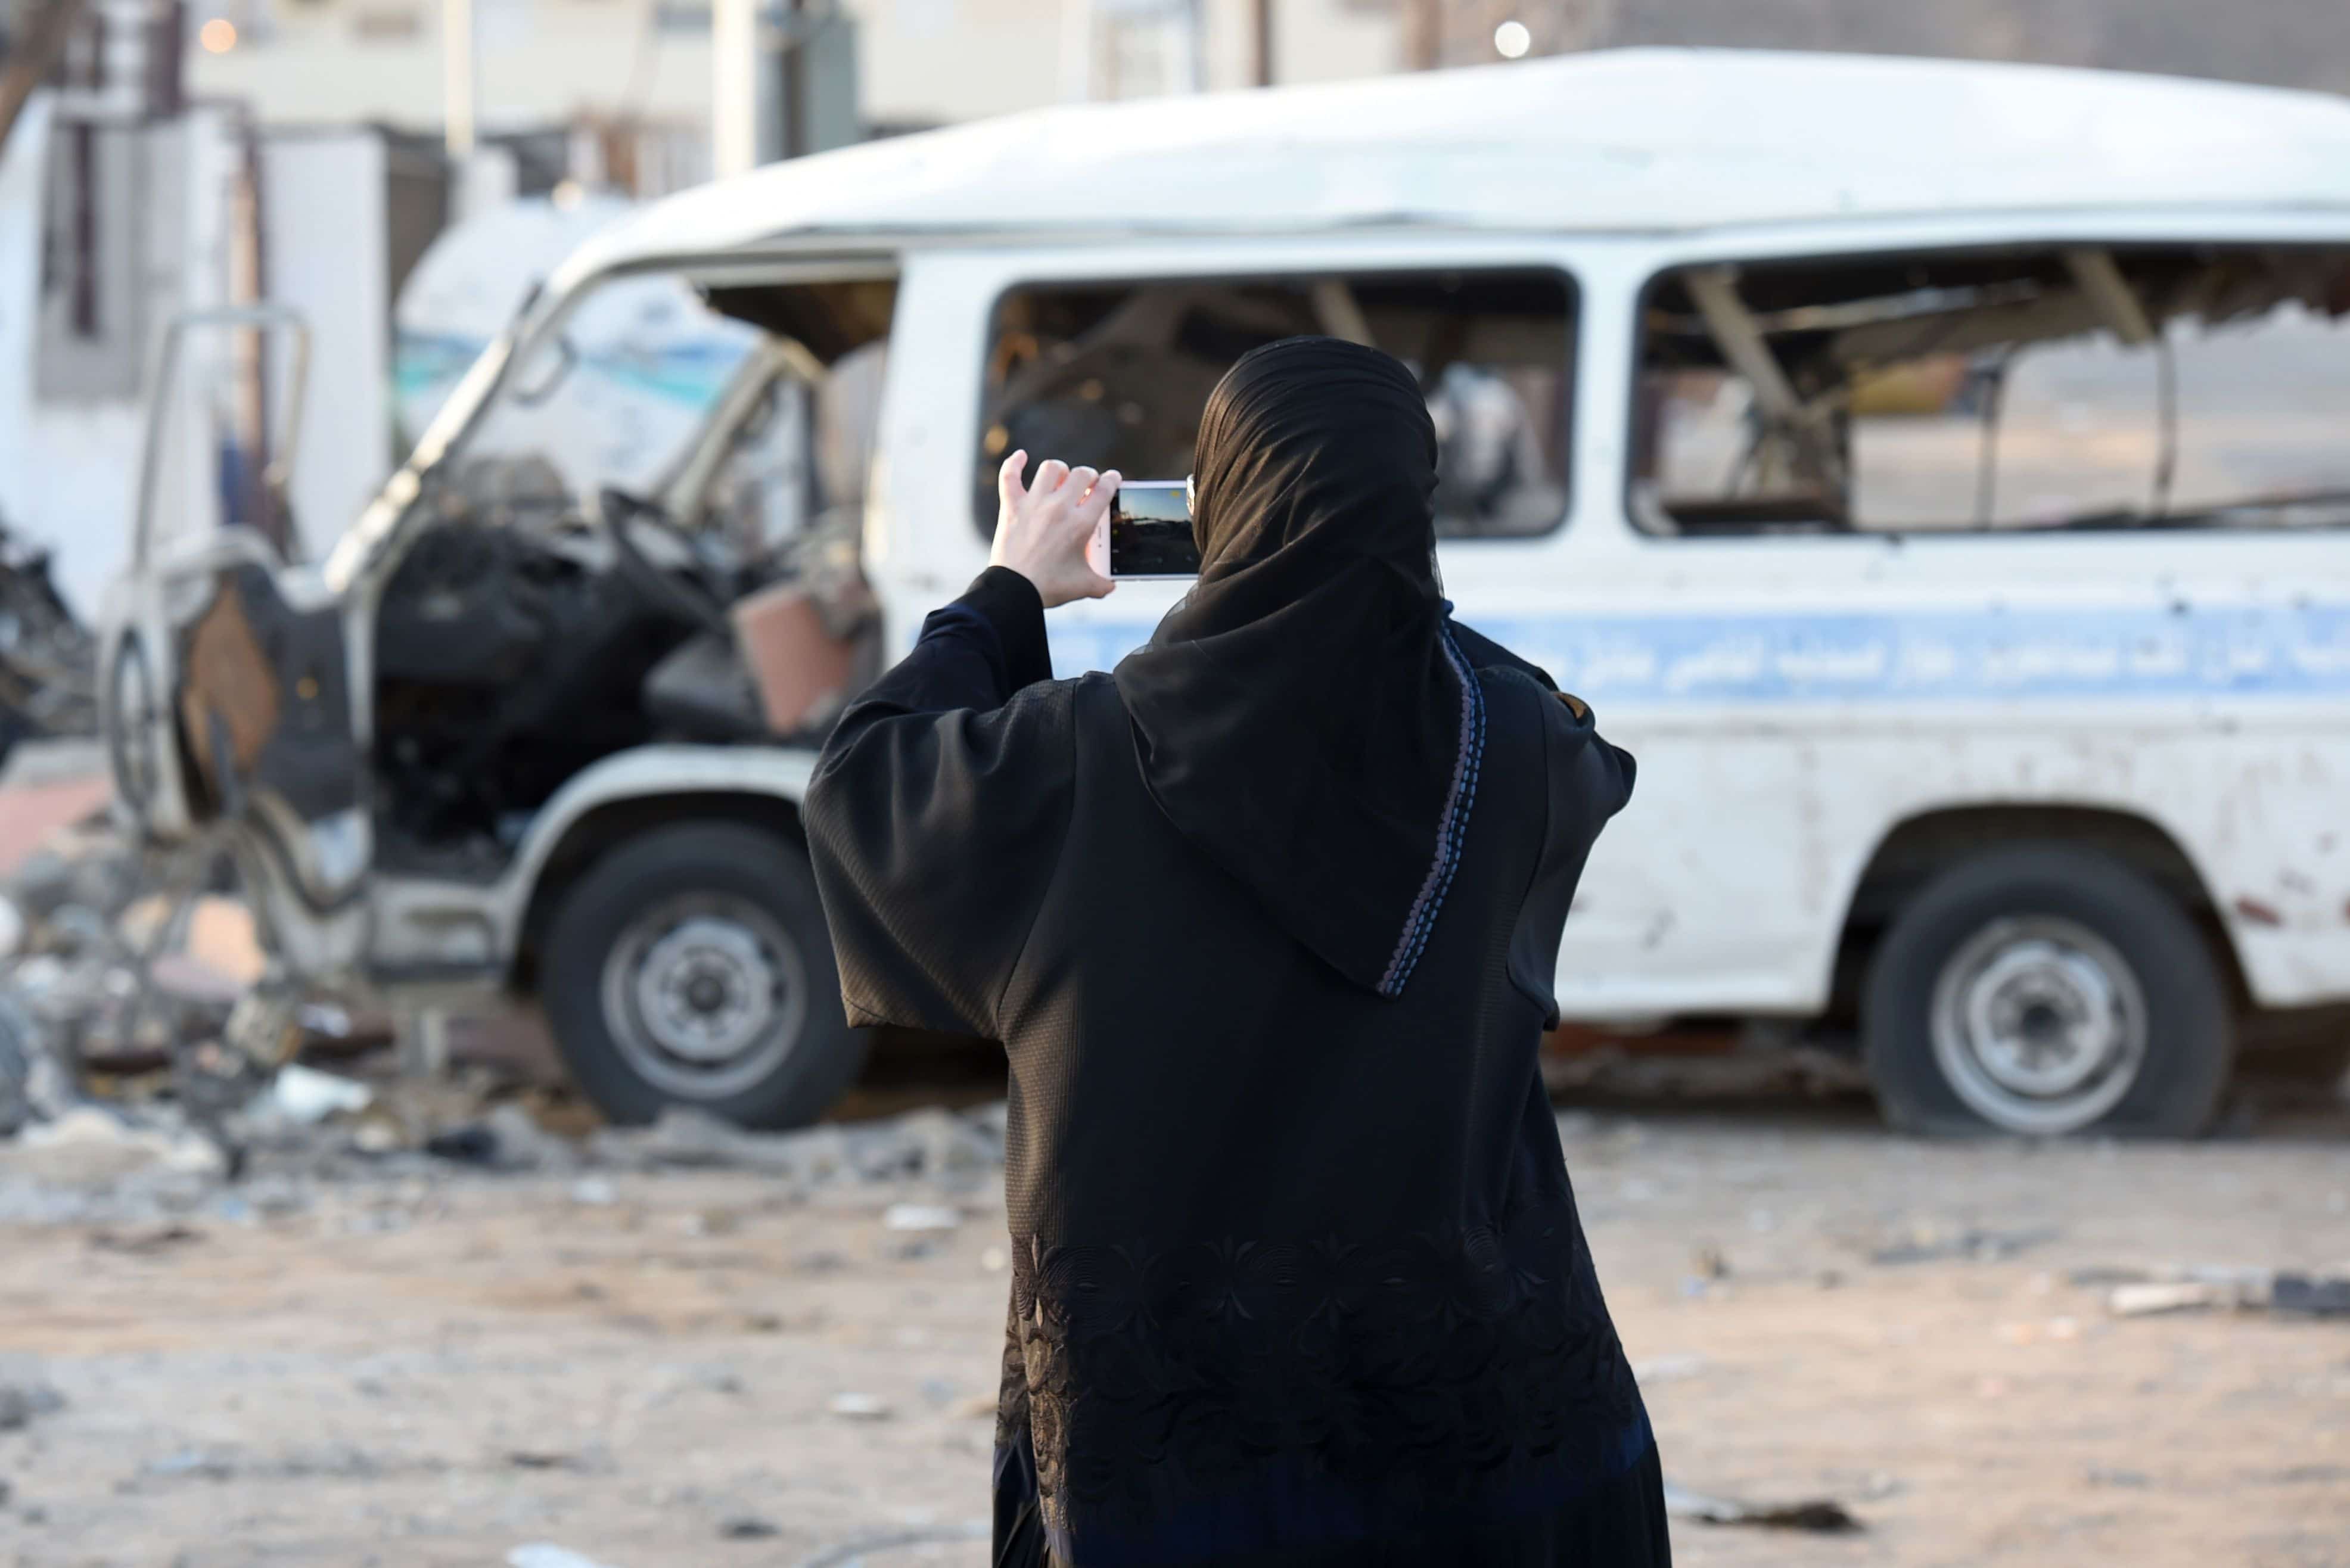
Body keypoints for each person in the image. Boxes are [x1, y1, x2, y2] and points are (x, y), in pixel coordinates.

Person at [804, 337, 1664, 1567]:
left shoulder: (1072, 763)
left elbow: (862, 786)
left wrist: (1006, 591)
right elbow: (1556, 735)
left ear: (1223, 503)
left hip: (1175, 1443)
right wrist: (1367, 572)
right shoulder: (1513, 742)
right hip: (1480, 1421)